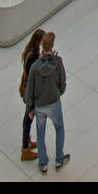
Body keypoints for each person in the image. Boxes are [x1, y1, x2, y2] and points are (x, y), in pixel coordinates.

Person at [25, 31, 70, 173]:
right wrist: (59, 92)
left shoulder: (35, 67)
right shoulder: (58, 62)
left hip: (39, 105)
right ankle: (58, 159)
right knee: (59, 128)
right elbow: (62, 81)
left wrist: (29, 108)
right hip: (54, 102)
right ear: (52, 46)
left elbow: (30, 89)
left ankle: (43, 163)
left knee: (40, 133)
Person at [18, 28, 45, 161]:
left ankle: (27, 142)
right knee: (28, 119)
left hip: (28, 91)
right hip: (31, 93)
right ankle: (25, 149)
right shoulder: (32, 57)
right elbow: (34, 76)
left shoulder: (31, 53)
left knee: (27, 119)